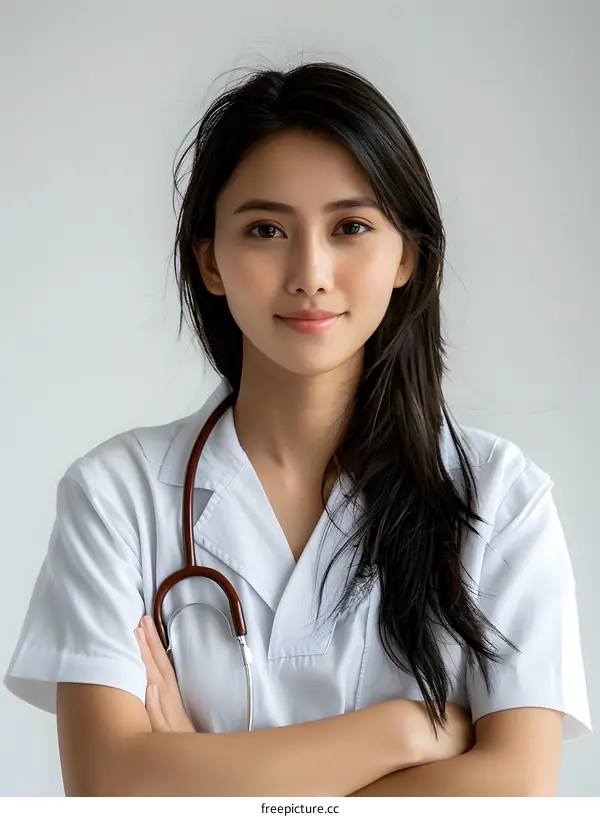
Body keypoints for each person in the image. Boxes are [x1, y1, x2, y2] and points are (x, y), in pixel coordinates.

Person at [4, 61, 592, 798]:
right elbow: (108, 779)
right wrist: (404, 731)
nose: (310, 271)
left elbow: (515, 788)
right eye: (265, 229)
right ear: (210, 260)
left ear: (406, 253)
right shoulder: (115, 496)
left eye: (350, 227)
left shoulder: (498, 497)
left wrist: (198, 780)